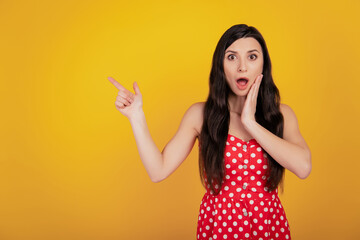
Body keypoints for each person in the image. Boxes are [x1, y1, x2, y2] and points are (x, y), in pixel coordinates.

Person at [108, 24, 312, 240]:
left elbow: (303, 167)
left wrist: (251, 123)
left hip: (268, 229)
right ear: (221, 65)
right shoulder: (200, 115)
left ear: (263, 65)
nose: (242, 67)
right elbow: (158, 171)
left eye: (252, 57)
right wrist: (136, 117)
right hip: (220, 228)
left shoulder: (282, 115)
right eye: (232, 57)